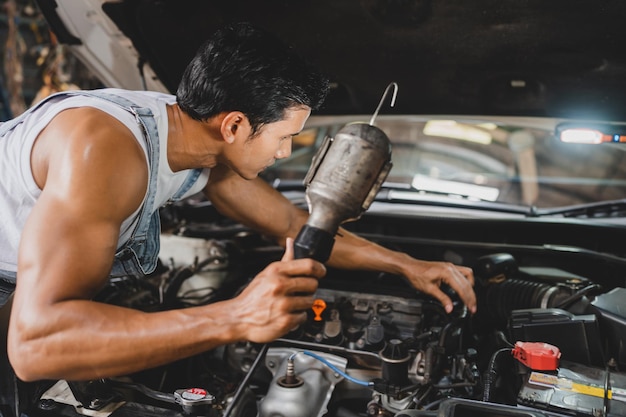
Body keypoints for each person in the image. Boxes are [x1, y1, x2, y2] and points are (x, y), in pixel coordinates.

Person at [0, 22, 475, 383]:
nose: (286, 152)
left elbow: (292, 221)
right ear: (233, 126)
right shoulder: (104, 149)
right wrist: (236, 315)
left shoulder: (197, 141)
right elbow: (34, 345)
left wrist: (406, 264)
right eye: (286, 137)